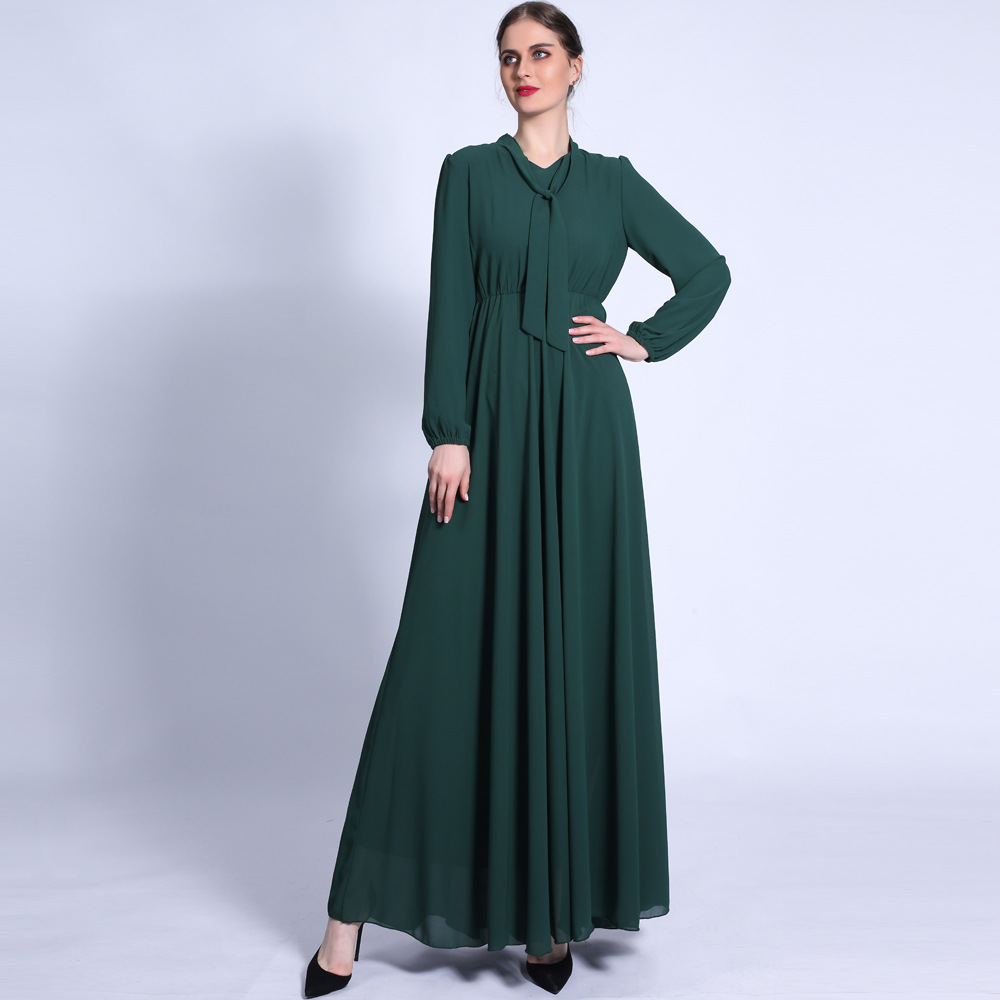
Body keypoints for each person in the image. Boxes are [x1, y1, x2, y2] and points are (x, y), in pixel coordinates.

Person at [304, 3, 731, 996]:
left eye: (541, 53)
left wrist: (642, 339)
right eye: (508, 57)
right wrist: (448, 429)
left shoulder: (615, 185)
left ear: (576, 66)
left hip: (585, 435)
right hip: (489, 430)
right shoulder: (467, 174)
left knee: (570, 654)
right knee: (436, 656)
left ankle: (547, 922)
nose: (522, 69)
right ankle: (344, 920)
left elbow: (707, 271)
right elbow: (450, 304)